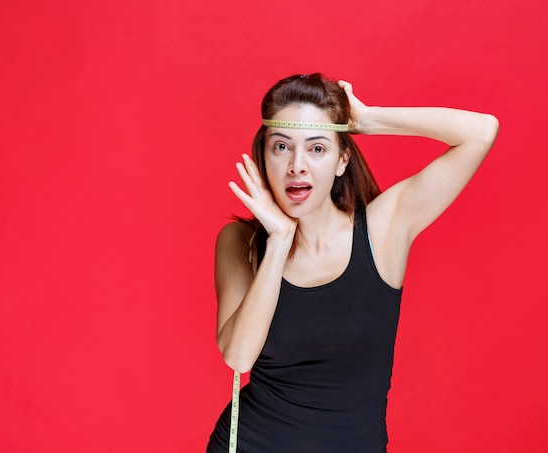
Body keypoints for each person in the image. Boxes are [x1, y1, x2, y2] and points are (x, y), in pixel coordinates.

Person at [206, 73, 498, 452]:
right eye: (281, 147)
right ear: (264, 157)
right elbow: (239, 356)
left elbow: (482, 131)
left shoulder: (383, 229)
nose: (297, 165)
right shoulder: (240, 241)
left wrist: (370, 120)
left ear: (342, 159)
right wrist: (279, 240)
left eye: (316, 148)